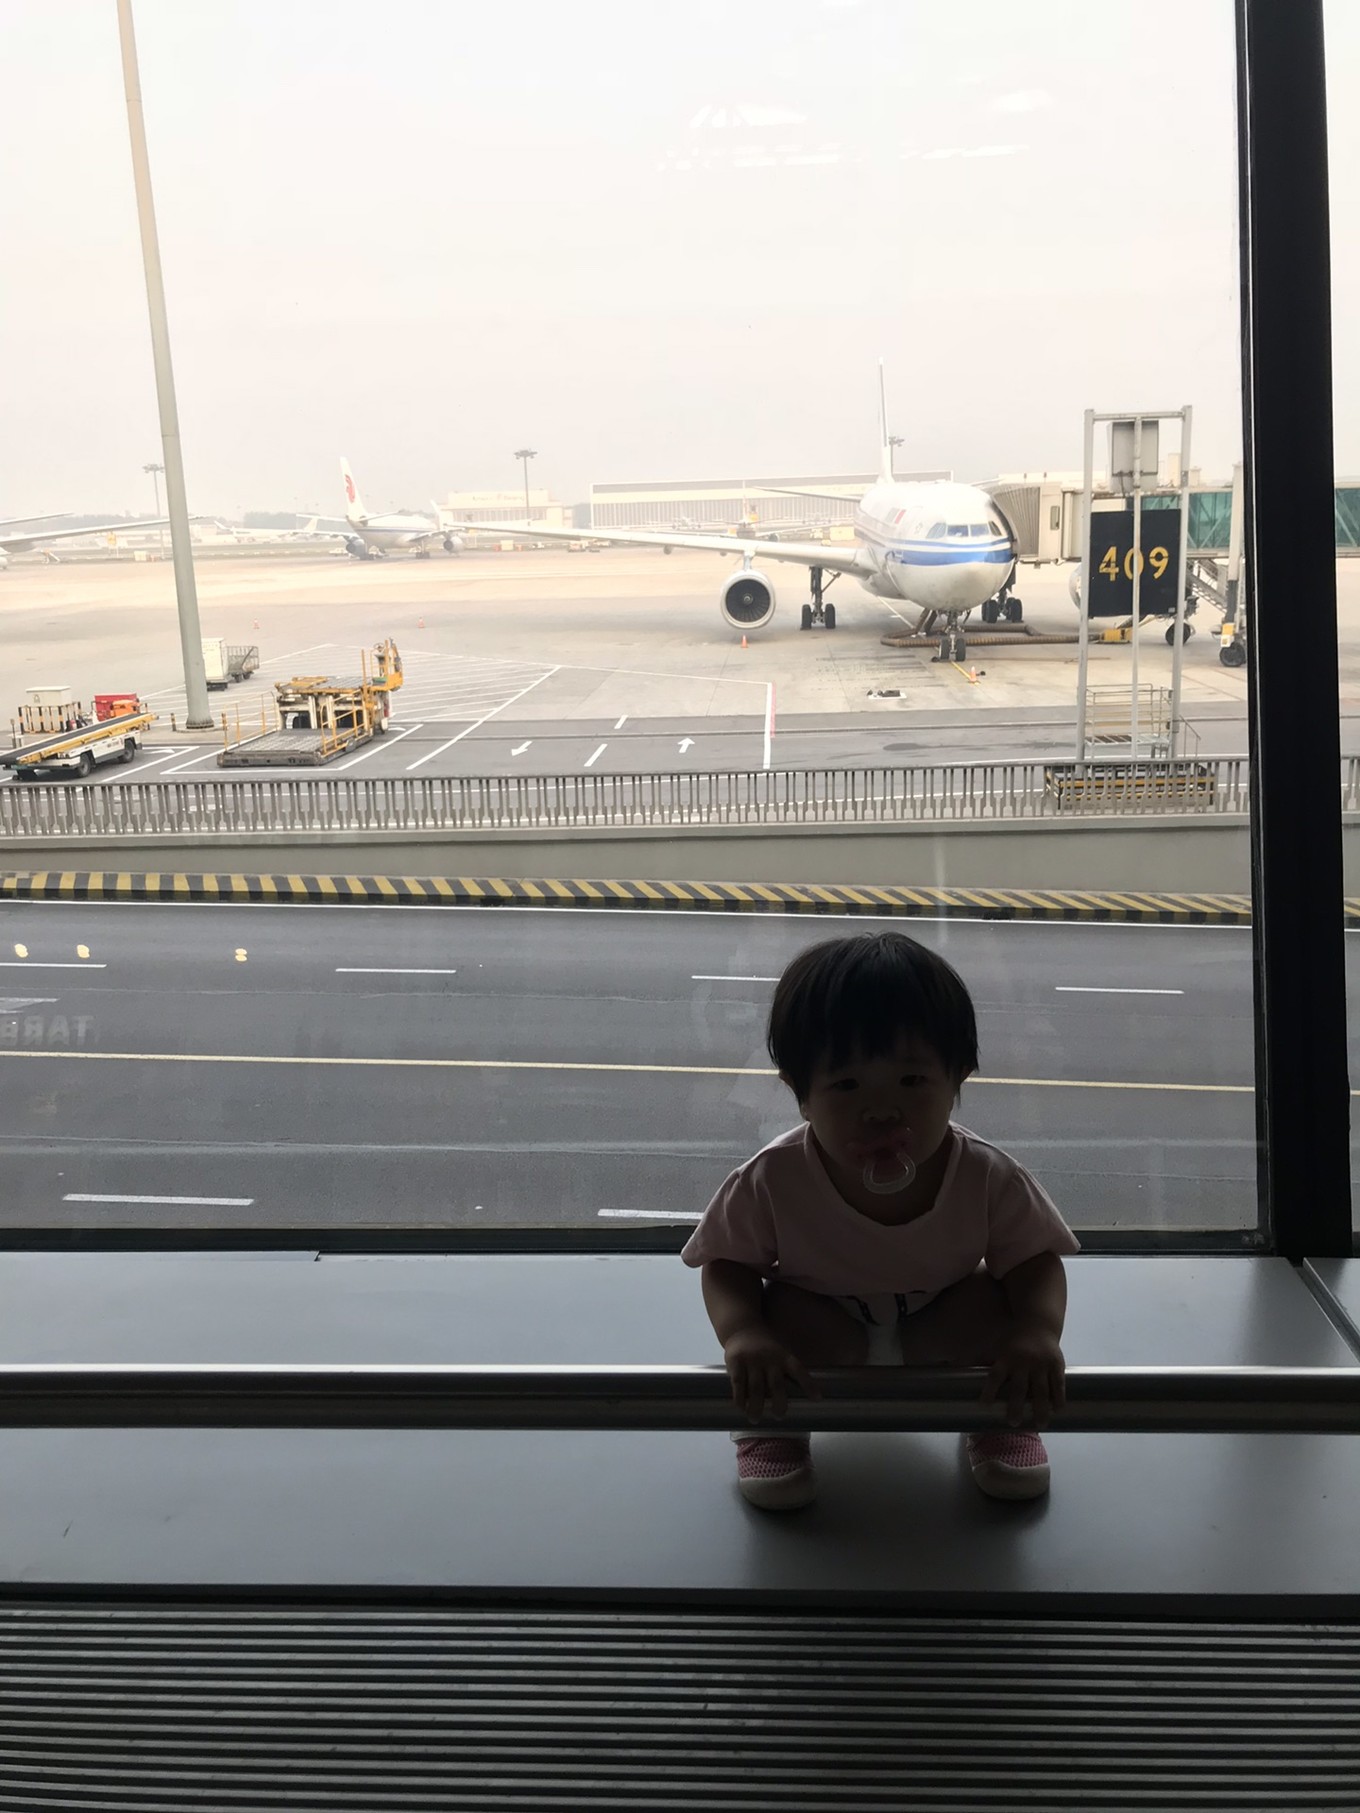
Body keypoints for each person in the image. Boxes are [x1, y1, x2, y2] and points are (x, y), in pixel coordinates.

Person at [681, 930, 1079, 1511]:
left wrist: (1038, 1333)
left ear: (959, 1076)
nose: (881, 1111)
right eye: (846, 1085)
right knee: (780, 1318)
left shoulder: (987, 1175)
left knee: (990, 1307)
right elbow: (726, 1263)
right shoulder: (773, 1178)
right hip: (820, 1321)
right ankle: (773, 1423)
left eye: (912, 1081)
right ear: (800, 1093)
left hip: (941, 1319)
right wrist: (743, 1333)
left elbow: (1034, 1260)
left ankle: (999, 1413)